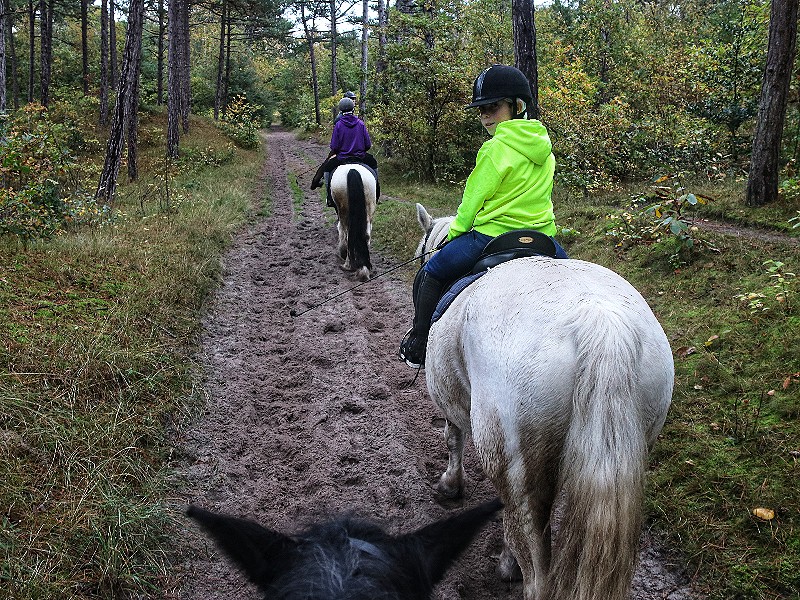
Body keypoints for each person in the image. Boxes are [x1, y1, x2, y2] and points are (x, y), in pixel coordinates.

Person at [398, 64, 568, 369]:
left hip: (491, 237)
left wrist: (455, 232)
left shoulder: (494, 149)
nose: (485, 115)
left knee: (432, 272)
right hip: (542, 237)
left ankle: (419, 342)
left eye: (492, 107)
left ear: (517, 106)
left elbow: (471, 200)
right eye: (481, 110)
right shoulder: (545, 149)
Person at [310, 96, 379, 207]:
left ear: (341, 110)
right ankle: (376, 193)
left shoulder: (338, 124)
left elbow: (334, 146)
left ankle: (329, 196)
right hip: (360, 156)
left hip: (342, 158)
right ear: (353, 108)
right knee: (373, 163)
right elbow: (367, 145)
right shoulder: (360, 123)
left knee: (327, 169)